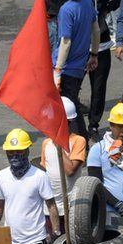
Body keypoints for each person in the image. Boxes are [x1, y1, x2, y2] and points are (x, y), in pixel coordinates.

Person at [77, 0, 123, 143]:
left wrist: (109, 7)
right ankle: (75, 127)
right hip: (78, 45)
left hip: (102, 43)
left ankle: (93, 125)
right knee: (72, 85)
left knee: (99, 87)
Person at [0, 129, 61, 244]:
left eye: (19, 151)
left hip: (36, 243)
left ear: (27, 150)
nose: (14, 155)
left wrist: (55, 233)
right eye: (11, 152)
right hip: (9, 243)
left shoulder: (40, 176)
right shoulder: (1, 177)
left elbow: (51, 205)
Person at [50, 0, 100, 138]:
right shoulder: (87, 1)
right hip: (80, 66)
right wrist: (94, 54)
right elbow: (96, 29)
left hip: (67, 69)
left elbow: (65, 42)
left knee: (69, 108)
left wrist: (57, 70)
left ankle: (78, 143)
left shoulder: (66, 10)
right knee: (73, 103)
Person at [87, 102, 123, 217]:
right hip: (111, 212)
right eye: (120, 126)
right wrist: (118, 205)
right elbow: (95, 184)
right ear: (111, 125)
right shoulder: (98, 149)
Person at [40, 97, 88, 226]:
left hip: (71, 207)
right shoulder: (46, 143)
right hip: (51, 209)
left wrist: (58, 145)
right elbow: (45, 173)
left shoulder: (78, 141)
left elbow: (70, 170)